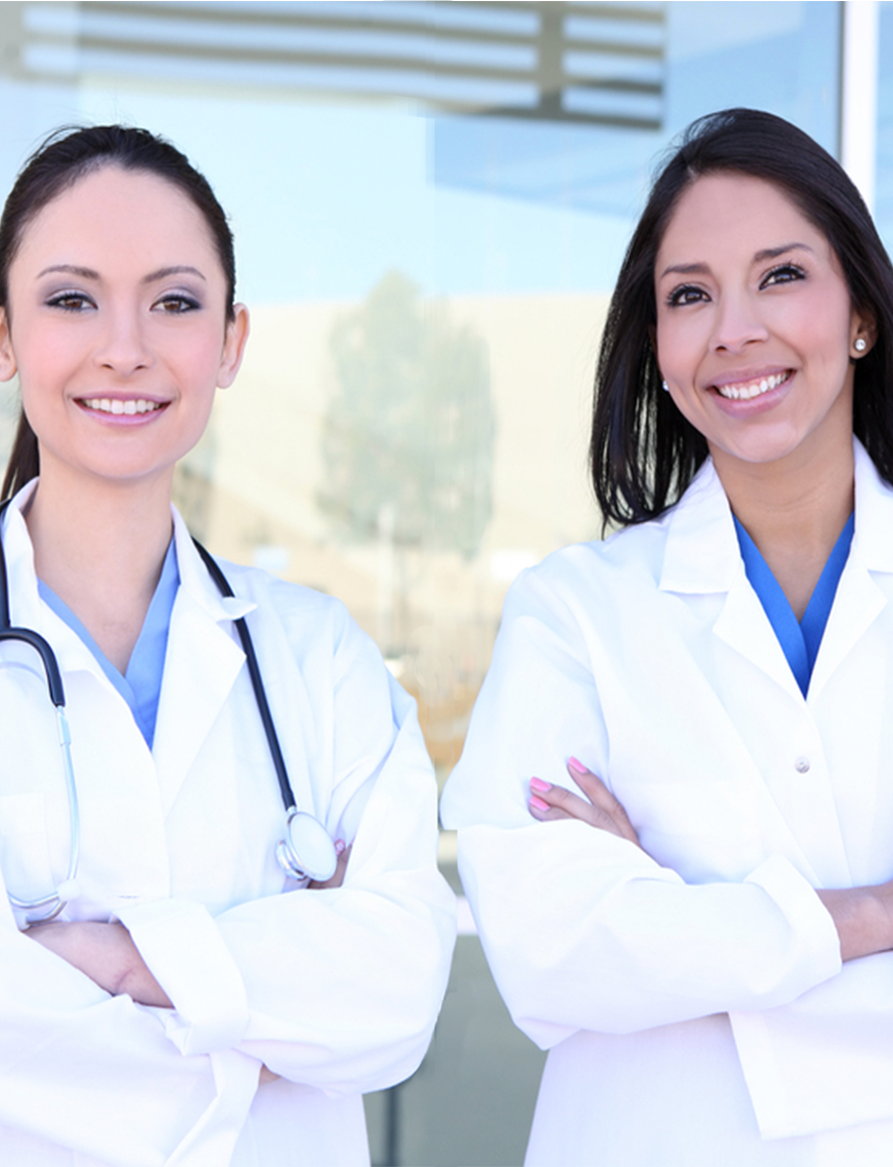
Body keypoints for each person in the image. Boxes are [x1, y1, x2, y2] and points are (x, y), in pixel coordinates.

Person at [440, 107, 893, 1164]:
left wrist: (680, 921)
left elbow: (625, 951)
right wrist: (872, 912)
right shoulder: (573, 613)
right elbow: (553, 953)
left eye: (779, 275)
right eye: (689, 294)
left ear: (861, 313)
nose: (733, 328)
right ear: (657, 344)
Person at [0, 124, 455, 1167]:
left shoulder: (317, 658)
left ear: (232, 341)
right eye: (72, 299)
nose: (126, 346)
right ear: (5, 335)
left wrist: (113, 959)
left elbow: (395, 997)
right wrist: (269, 993)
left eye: (173, 302)